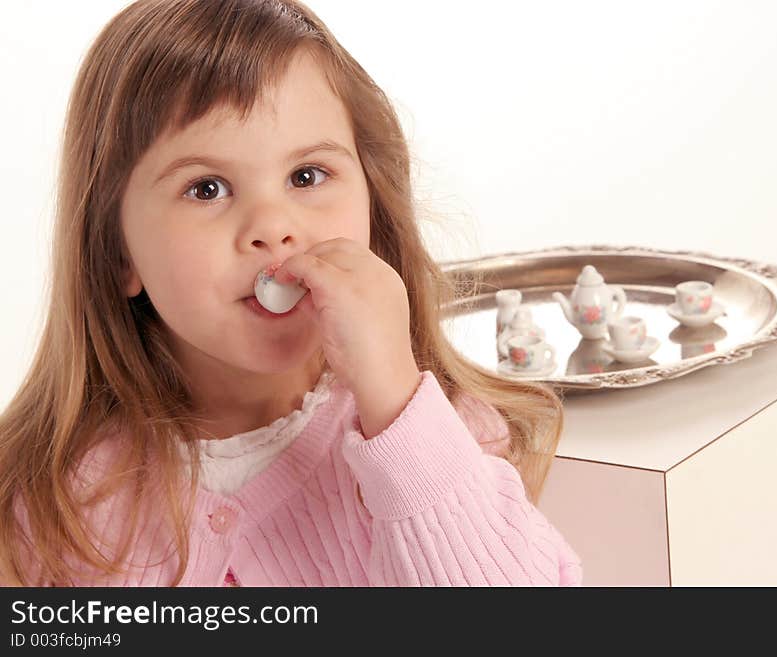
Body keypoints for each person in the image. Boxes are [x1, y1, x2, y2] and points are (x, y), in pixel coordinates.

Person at [0, 0, 582, 587]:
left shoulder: (438, 438)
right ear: (119, 252)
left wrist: (395, 397)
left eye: (306, 176)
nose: (272, 227)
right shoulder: (52, 502)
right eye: (207, 188)